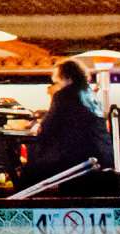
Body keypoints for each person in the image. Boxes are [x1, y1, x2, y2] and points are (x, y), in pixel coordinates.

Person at [19, 59, 109, 189]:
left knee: (29, 171)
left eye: (57, 82)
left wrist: (37, 127)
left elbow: (49, 127)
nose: (57, 85)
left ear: (67, 78)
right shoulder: (91, 96)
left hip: (75, 158)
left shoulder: (64, 95)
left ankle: (19, 207)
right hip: (101, 156)